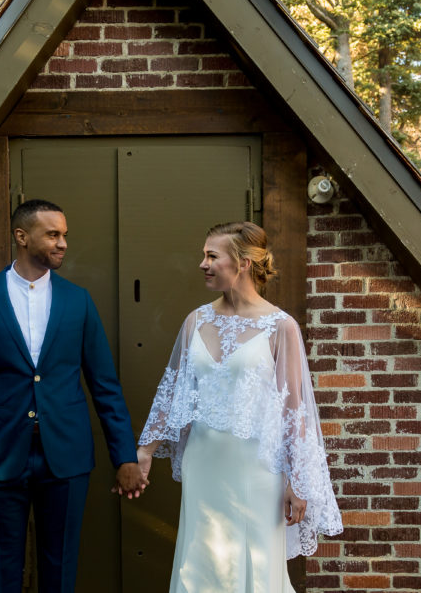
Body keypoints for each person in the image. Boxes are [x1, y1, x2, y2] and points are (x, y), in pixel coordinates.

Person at [0, 199, 147, 593]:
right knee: (3, 572)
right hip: (1, 459)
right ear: (22, 237)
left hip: (67, 458)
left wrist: (124, 455)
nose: (63, 244)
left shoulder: (78, 301)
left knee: (60, 572)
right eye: (53, 234)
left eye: (64, 235)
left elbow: (104, 384)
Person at [136, 221, 343, 592]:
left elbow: (294, 411)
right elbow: (173, 392)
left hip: (257, 470)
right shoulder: (195, 321)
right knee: (200, 564)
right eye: (204, 255)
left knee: (254, 564)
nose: (202, 264)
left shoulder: (282, 327)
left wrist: (298, 481)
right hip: (204, 464)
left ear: (244, 262)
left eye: (211, 256)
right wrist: (146, 449)